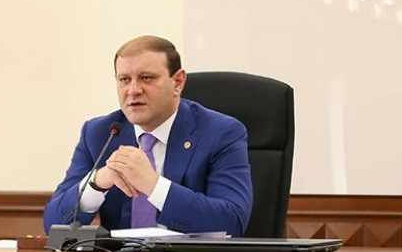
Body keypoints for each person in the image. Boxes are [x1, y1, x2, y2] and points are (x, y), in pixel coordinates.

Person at [43, 35, 252, 236]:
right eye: (124, 80)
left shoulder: (221, 133)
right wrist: (97, 181)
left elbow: (231, 222)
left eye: (146, 78)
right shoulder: (101, 133)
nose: (133, 90)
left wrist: (153, 185)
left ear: (178, 82)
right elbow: (53, 225)